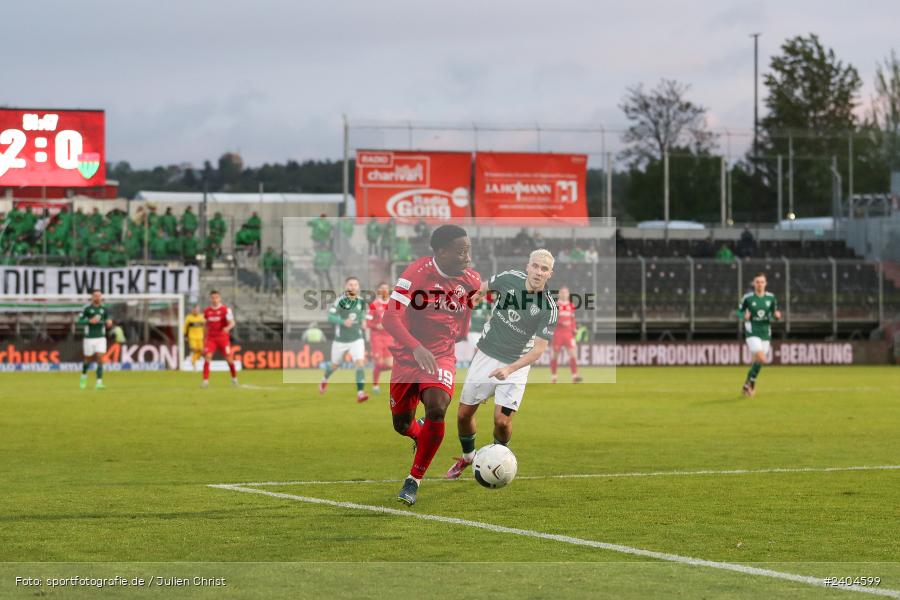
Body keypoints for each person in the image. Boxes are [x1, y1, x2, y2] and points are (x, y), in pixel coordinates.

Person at [382, 224, 482, 506]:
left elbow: (465, 319)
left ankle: (413, 480)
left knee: (438, 408)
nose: (467, 257)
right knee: (402, 424)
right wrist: (416, 346)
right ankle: (419, 432)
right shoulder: (416, 273)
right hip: (407, 356)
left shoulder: (471, 281)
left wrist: (457, 337)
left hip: (440, 356)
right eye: (461, 251)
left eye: (469, 250)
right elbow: (389, 318)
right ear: (441, 252)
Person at [445, 250, 558, 479]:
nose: (538, 272)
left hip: (516, 364)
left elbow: (538, 351)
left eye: (544, 269)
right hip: (486, 355)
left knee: (502, 421)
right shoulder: (509, 278)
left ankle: (499, 461)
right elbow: (482, 289)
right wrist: (467, 304)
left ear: (550, 274)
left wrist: (509, 369)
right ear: (528, 266)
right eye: (535, 266)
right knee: (463, 415)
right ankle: (468, 458)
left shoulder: (548, 307)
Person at [319, 276, 369, 403]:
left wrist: (363, 322)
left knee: (360, 363)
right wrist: (342, 321)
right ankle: (324, 379)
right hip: (341, 340)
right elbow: (330, 317)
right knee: (335, 365)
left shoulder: (361, 301)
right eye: (350, 284)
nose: (353, 287)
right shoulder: (340, 301)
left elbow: (362, 315)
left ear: (358, 287)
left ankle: (360, 393)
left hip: (357, 339)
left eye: (355, 285)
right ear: (345, 287)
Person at [739, 273, 781, 397]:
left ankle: (746, 385)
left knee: (759, 361)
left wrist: (777, 316)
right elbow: (739, 311)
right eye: (757, 282)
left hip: (765, 332)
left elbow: (774, 314)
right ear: (754, 283)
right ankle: (752, 385)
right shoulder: (747, 298)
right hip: (752, 331)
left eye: (762, 282)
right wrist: (743, 316)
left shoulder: (771, 298)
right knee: (762, 358)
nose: (759, 284)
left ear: (765, 283)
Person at [77, 289, 113, 390]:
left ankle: (99, 382)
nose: (97, 297)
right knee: (88, 359)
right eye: (95, 296)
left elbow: (107, 319)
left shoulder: (104, 308)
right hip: (89, 338)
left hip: (101, 337)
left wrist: (109, 322)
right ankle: (83, 375)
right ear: (92, 297)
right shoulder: (87, 308)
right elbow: (79, 321)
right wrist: (89, 321)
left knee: (100, 358)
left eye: (99, 295)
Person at [201, 290, 238, 388]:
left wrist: (228, 328)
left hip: (223, 338)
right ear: (210, 299)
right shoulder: (207, 311)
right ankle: (205, 381)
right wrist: (204, 337)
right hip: (211, 338)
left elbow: (232, 322)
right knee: (208, 357)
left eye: (216, 297)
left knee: (229, 359)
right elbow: (205, 325)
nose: (215, 299)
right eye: (213, 298)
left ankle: (234, 378)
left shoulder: (226, 310)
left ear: (220, 298)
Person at [550, 285, 581, 383]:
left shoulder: (571, 305)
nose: (564, 294)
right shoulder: (555, 305)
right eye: (562, 292)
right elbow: (552, 319)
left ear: (568, 294)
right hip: (558, 333)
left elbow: (572, 319)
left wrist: (574, 328)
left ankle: (574, 376)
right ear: (559, 294)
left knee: (573, 354)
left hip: (568, 334)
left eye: (566, 292)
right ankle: (554, 377)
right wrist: (561, 323)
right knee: (555, 355)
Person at [367, 282, 394, 395]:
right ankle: (375, 385)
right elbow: (368, 322)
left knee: (390, 365)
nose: (383, 290)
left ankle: (376, 372)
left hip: (389, 337)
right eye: (381, 289)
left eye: (385, 288)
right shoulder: (373, 305)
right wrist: (376, 326)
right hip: (377, 337)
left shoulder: (393, 305)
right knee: (378, 362)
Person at [183, 305, 206, 369]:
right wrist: (185, 335)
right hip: (192, 337)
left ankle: (193, 360)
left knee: (201, 350)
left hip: (200, 337)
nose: (196, 311)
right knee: (194, 349)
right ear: (192, 310)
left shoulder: (201, 317)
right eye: (195, 309)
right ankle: (193, 361)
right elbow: (185, 327)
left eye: (197, 309)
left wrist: (205, 334)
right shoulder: (189, 317)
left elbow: (204, 327)